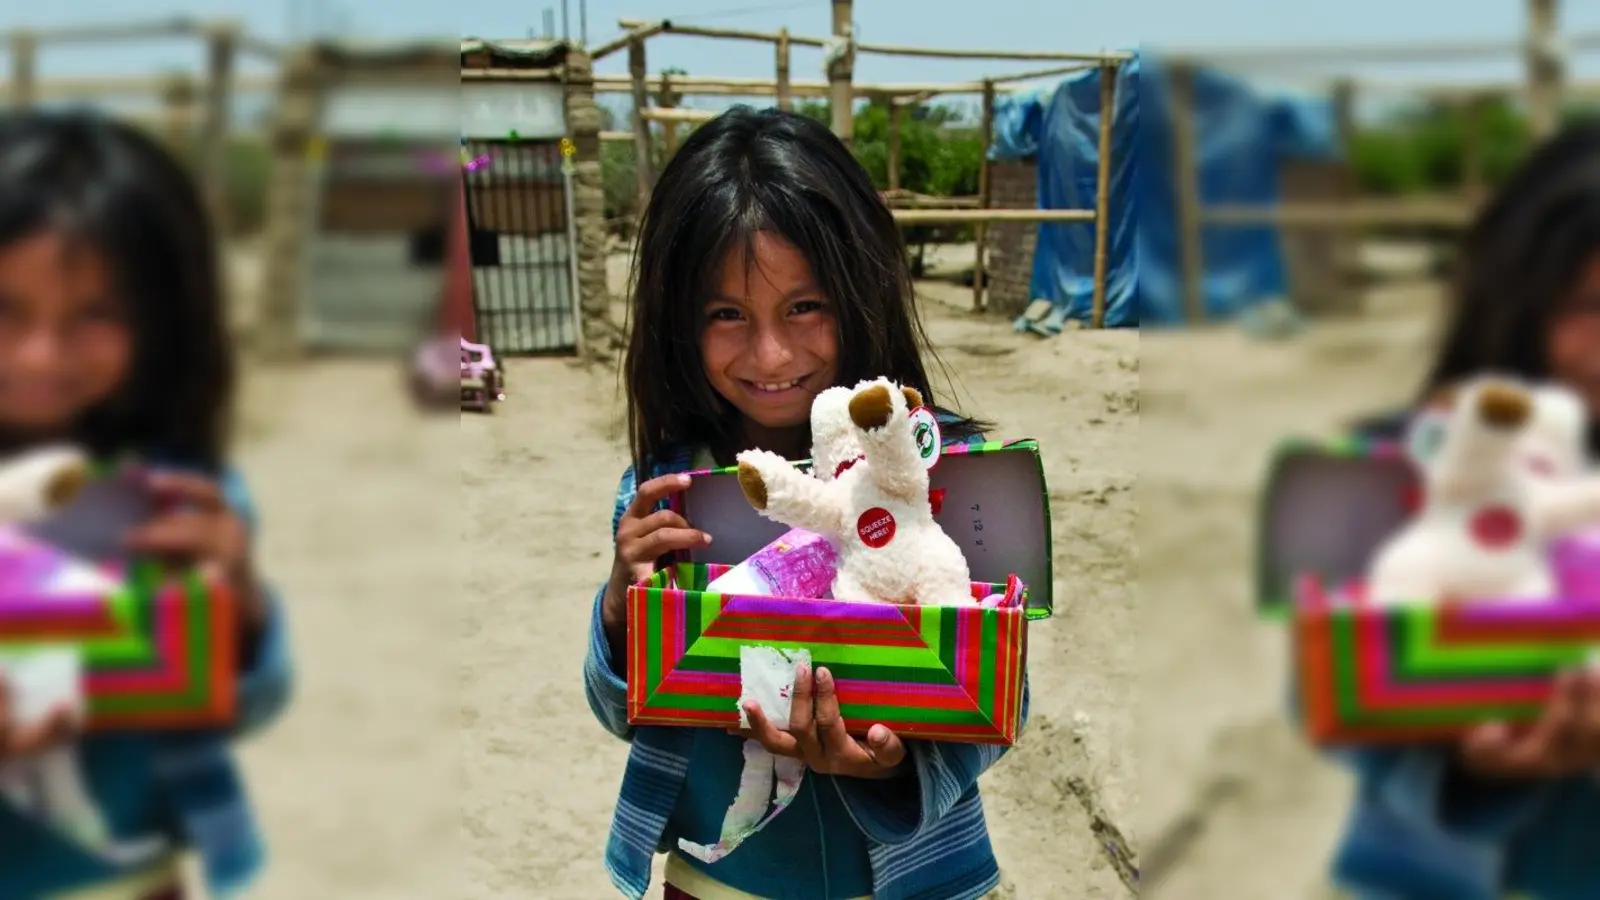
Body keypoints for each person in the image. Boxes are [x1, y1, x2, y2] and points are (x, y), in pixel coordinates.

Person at [582, 106, 1026, 900]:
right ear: (677, 321)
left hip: (912, 881)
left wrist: (892, 770)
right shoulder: (667, 492)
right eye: (726, 314)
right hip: (718, 881)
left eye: (804, 306)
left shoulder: (935, 472)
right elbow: (623, 711)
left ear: (862, 292)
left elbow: (1002, 694)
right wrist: (621, 614)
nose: (772, 354)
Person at [0, 110, 292, 898]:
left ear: (162, 319)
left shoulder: (180, 500)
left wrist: (244, 610)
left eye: (95, 314)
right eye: (6, 308)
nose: (41, 354)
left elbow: (246, 704)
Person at [1330, 120, 1600, 900]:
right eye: (1586, 304)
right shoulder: (1393, 465)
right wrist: (1463, 765)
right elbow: (1334, 683)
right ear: (1519, 295)